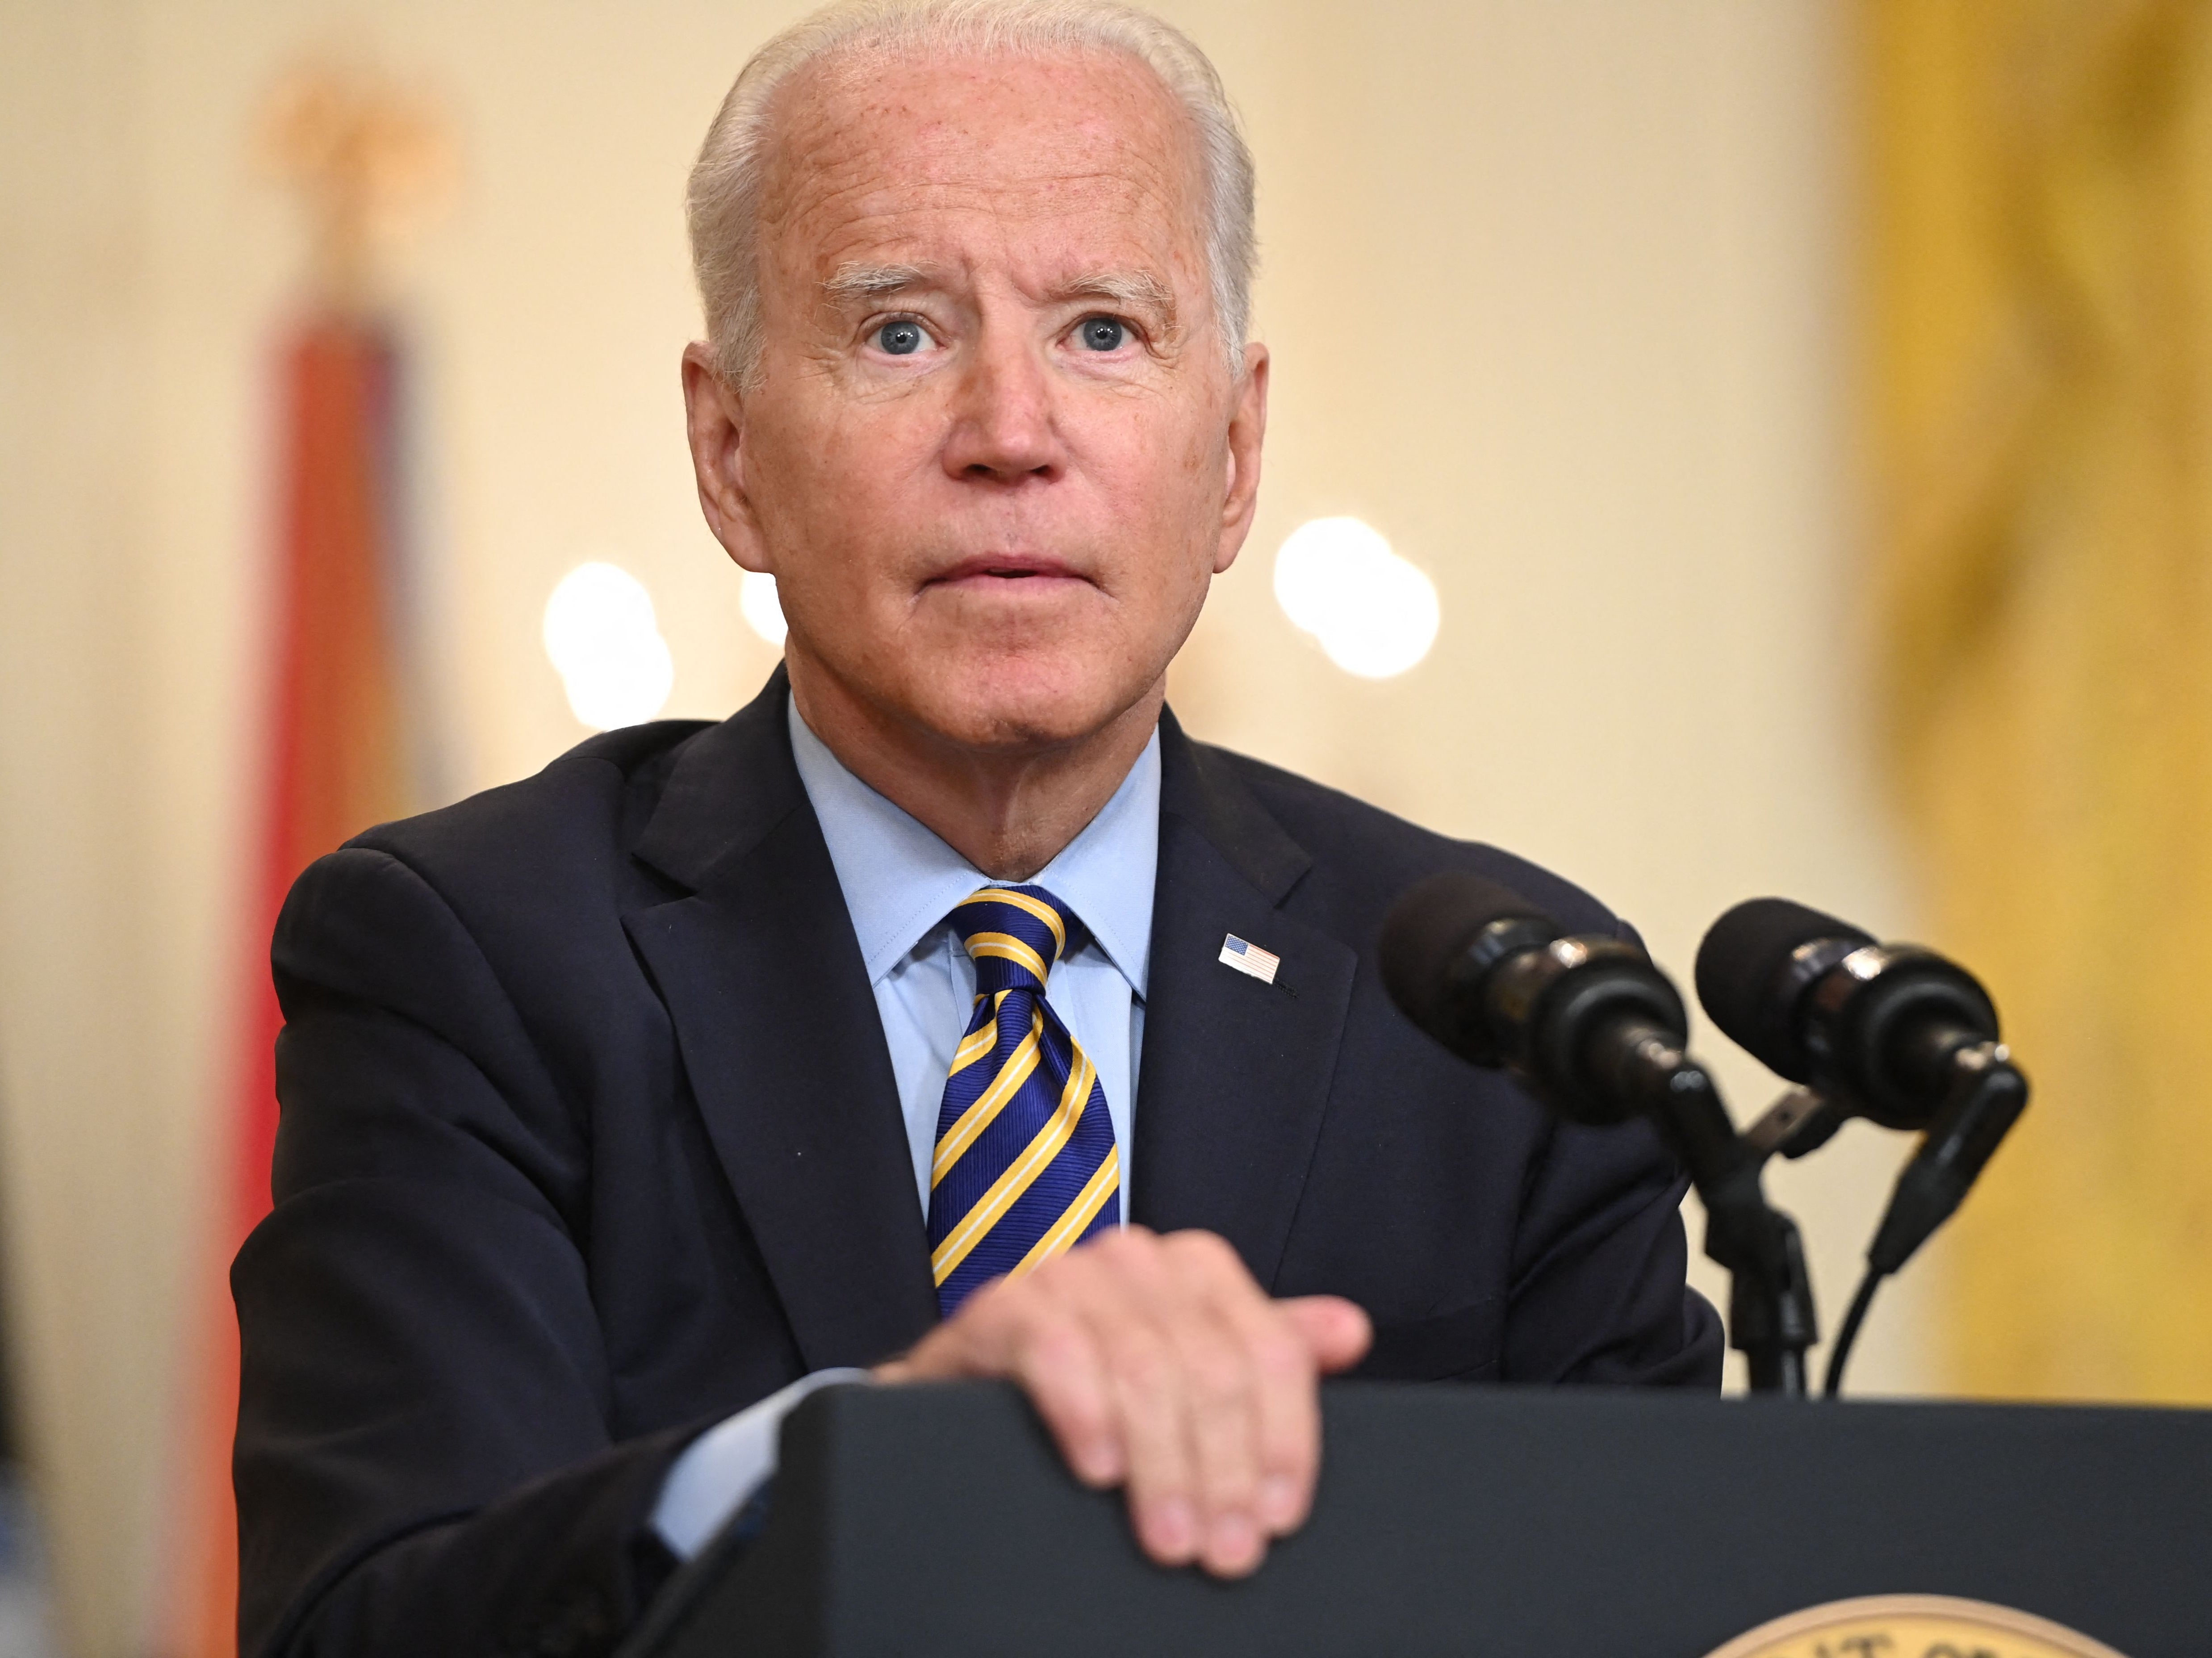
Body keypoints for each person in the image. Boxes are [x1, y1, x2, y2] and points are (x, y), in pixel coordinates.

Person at [232, 3, 1723, 1654]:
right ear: (728, 452)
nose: (1010, 434)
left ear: (1230, 453)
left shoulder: (1504, 1011)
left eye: (1101, 332)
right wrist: (858, 1460)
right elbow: (363, 1626)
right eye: (898, 335)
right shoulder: (470, 960)